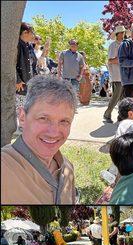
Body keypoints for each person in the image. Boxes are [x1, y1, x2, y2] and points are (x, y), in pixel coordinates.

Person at [1, 75, 77, 204]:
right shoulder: (5, 167)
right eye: (43, 118)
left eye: (64, 121)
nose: (53, 132)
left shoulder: (67, 168)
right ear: (22, 117)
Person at [103, 25, 126, 123]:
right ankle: (107, 114)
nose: (124, 34)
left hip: (124, 76)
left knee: (122, 98)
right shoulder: (113, 45)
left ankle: (121, 116)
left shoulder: (124, 44)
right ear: (118, 34)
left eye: (124, 32)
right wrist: (123, 60)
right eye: (122, 32)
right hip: (117, 75)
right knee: (116, 97)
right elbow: (111, 60)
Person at [16, 22, 37, 116]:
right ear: (25, 32)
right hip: (20, 83)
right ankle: (20, 128)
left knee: (26, 107)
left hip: (28, 81)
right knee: (20, 108)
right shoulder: (17, 45)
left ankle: (23, 127)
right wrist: (17, 80)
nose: (33, 35)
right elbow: (11, 64)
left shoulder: (28, 45)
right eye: (32, 33)